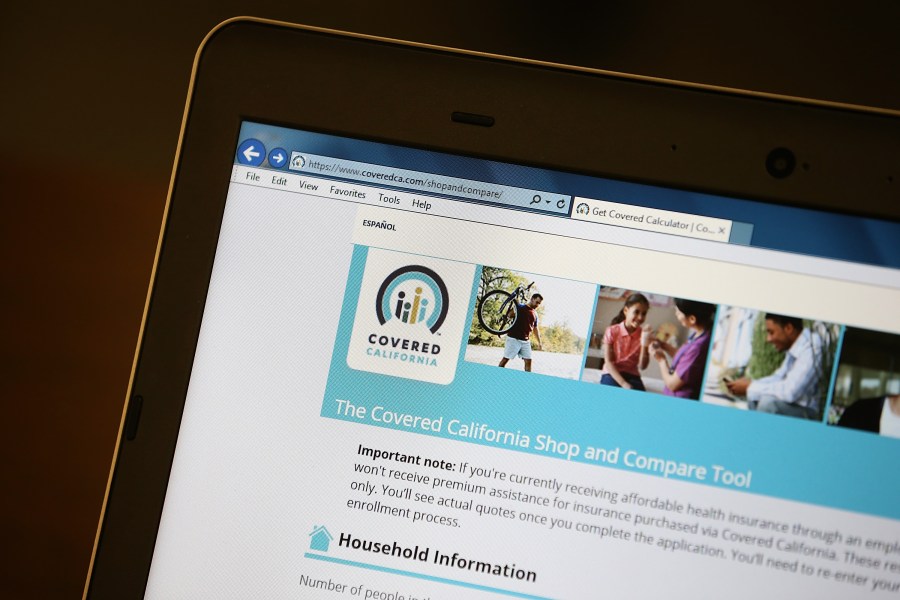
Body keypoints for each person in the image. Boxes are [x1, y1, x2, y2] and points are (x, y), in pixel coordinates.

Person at [726, 313, 823, 419]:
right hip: (792, 405)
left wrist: (750, 387)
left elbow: (790, 392)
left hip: (806, 411)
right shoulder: (795, 347)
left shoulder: (813, 347)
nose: (768, 339)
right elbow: (778, 378)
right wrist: (751, 384)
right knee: (754, 396)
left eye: (771, 332)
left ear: (788, 328)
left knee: (767, 403)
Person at [651, 299, 716, 400]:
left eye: (678, 312)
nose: (676, 314)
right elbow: (685, 359)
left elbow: (672, 384)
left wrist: (661, 360)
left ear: (692, 319)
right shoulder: (698, 334)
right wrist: (664, 345)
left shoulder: (699, 347)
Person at [600, 293, 652, 391]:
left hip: (632, 375)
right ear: (626, 311)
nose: (640, 317)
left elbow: (642, 366)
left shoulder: (643, 334)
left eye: (644, 313)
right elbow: (609, 362)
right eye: (636, 312)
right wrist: (624, 384)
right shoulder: (612, 331)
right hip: (612, 373)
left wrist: (645, 343)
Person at [498, 293, 543, 372]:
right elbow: (509, 315)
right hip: (513, 338)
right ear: (532, 299)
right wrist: (515, 307)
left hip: (525, 341)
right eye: (537, 302)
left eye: (539, 303)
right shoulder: (520, 306)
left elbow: (535, 328)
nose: (537, 305)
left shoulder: (535, 314)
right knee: (505, 359)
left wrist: (539, 342)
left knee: (528, 361)